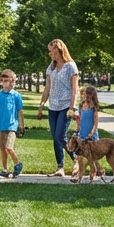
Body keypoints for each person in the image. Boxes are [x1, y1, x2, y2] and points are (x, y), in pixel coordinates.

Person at [37, 39, 79, 177]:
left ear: (59, 50)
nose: (50, 54)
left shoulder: (70, 66)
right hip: (53, 106)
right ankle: (60, 167)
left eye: (52, 51)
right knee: (56, 138)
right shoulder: (51, 68)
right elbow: (47, 87)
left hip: (66, 106)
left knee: (60, 136)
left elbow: (74, 89)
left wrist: (72, 108)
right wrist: (42, 104)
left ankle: (76, 159)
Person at [0, 69, 25, 178]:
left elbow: (20, 112)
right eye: (6, 80)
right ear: (1, 81)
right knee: (2, 148)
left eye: (12, 81)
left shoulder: (16, 96)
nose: (9, 83)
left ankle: (17, 163)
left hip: (12, 126)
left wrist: (21, 126)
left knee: (9, 147)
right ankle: (5, 169)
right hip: (0, 126)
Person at [69, 84, 104, 181]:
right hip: (82, 135)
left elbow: (95, 124)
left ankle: (96, 170)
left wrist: (91, 133)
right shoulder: (81, 105)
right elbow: (81, 120)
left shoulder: (94, 108)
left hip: (91, 137)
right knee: (80, 157)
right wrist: (77, 129)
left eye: (87, 94)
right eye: (84, 94)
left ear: (91, 95)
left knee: (91, 157)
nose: (85, 96)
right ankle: (81, 175)